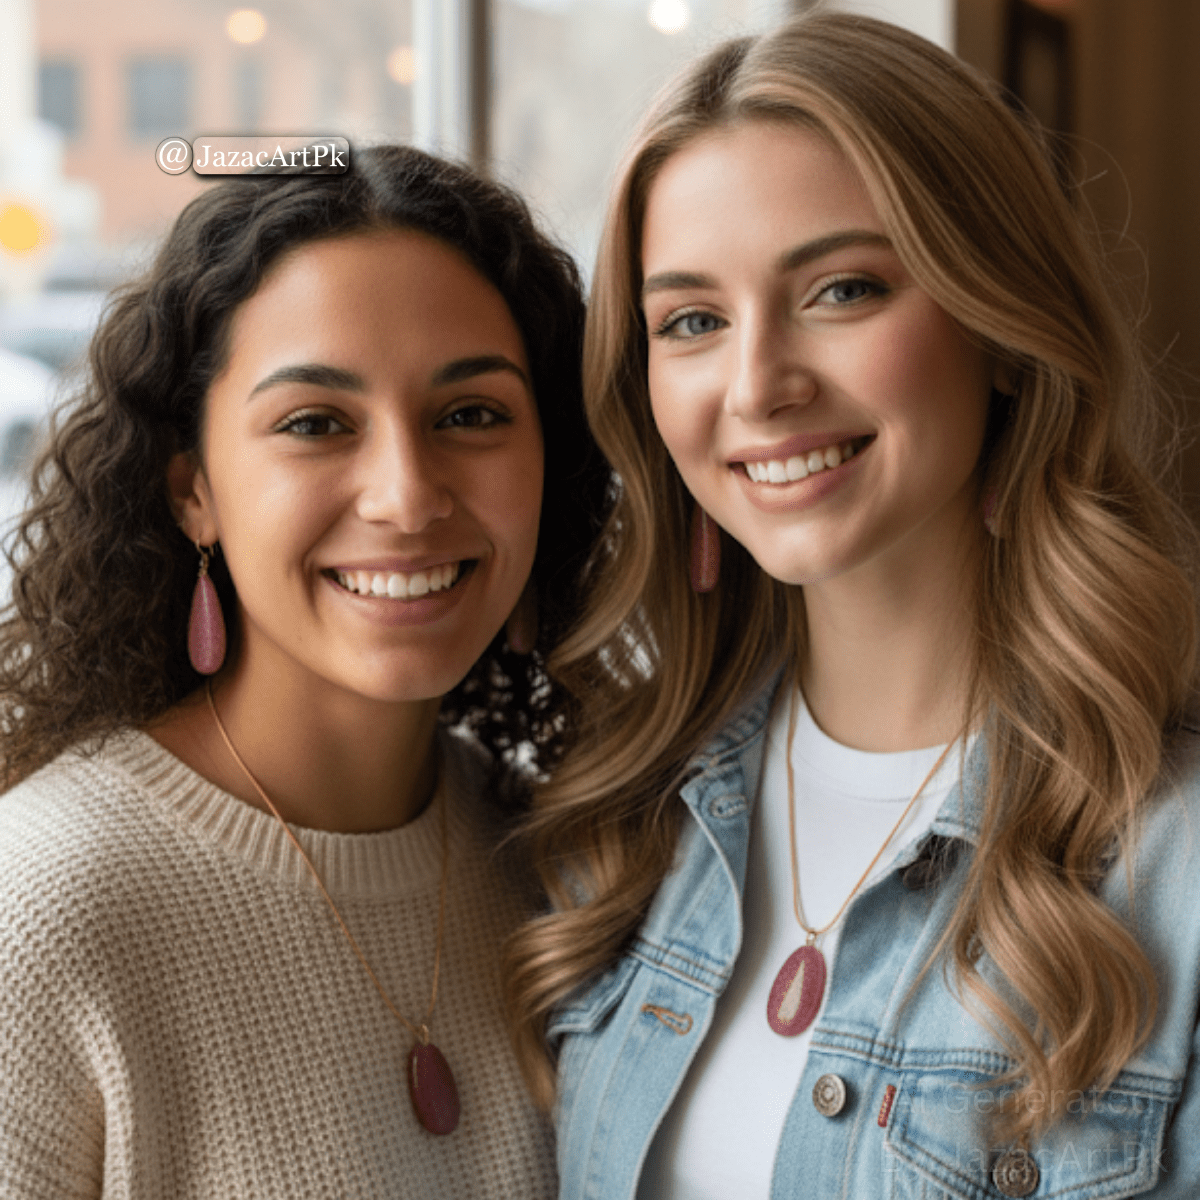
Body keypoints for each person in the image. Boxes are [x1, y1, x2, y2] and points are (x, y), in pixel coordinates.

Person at [505, 13, 1200, 1199]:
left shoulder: (1172, 859)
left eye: (841, 288)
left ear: (999, 326)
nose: (758, 383)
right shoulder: (617, 824)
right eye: (692, 321)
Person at [0, 145, 606, 1198]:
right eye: (316, 424)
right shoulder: (45, 908)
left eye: (471, 415)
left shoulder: (559, 866)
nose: (407, 497)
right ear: (194, 492)